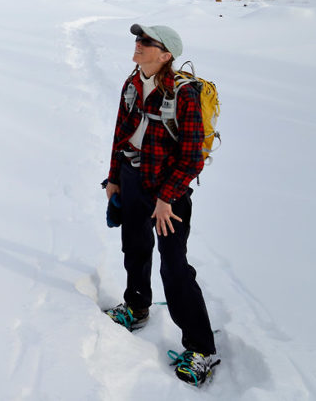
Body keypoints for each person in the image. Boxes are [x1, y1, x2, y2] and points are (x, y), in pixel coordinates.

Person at [102, 23, 220, 386]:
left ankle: (201, 349)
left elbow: (192, 158)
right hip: (133, 179)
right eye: (137, 40)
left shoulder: (183, 94)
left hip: (169, 192)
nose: (137, 45)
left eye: (146, 42)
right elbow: (121, 132)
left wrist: (167, 198)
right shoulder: (133, 82)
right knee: (134, 247)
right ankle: (137, 307)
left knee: (173, 265)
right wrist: (114, 178)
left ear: (165, 54)